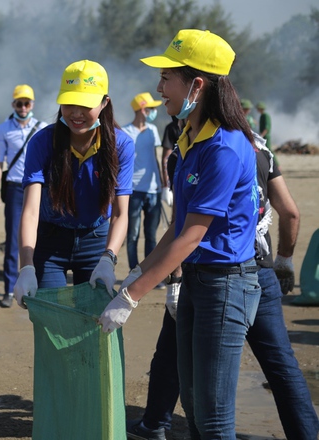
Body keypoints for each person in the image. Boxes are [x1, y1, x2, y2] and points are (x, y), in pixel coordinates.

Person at [98, 29, 261, 439]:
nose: (158, 89)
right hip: (197, 284)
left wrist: (132, 297)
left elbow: (192, 237)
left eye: (167, 78)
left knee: (213, 414)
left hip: (226, 288)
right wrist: (139, 272)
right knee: (191, 402)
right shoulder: (191, 138)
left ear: (197, 85)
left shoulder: (223, 146)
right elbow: (177, 227)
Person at [126, 138, 319, 440]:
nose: (162, 89)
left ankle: (154, 423)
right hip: (261, 269)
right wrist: (284, 260)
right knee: (282, 365)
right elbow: (290, 212)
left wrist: (173, 283)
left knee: (176, 357)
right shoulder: (259, 147)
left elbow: (182, 228)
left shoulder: (192, 149)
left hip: (211, 275)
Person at [13, 59, 135, 307]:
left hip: (95, 241)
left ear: (104, 103)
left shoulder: (121, 145)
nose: (76, 113)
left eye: (85, 104)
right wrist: (26, 266)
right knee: (51, 320)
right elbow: (31, 210)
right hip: (50, 242)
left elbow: (121, 214)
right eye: (69, 103)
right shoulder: (43, 142)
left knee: (92, 323)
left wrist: (108, 259)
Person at [0, 84, 47, 308]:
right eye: (19, 103)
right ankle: (8, 289)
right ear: (13, 104)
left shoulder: (43, 128)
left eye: (27, 103)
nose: (23, 107)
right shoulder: (3, 129)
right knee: (13, 239)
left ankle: (40, 287)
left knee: (42, 237)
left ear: (32, 104)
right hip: (15, 188)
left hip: (40, 188)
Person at [122, 92, 165, 279]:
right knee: (132, 235)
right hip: (133, 190)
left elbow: (157, 158)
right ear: (142, 109)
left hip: (153, 190)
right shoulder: (125, 132)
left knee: (151, 235)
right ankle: (134, 272)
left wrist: (164, 186)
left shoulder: (153, 130)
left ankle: (148, 274)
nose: (154, 111)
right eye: (151, 108)